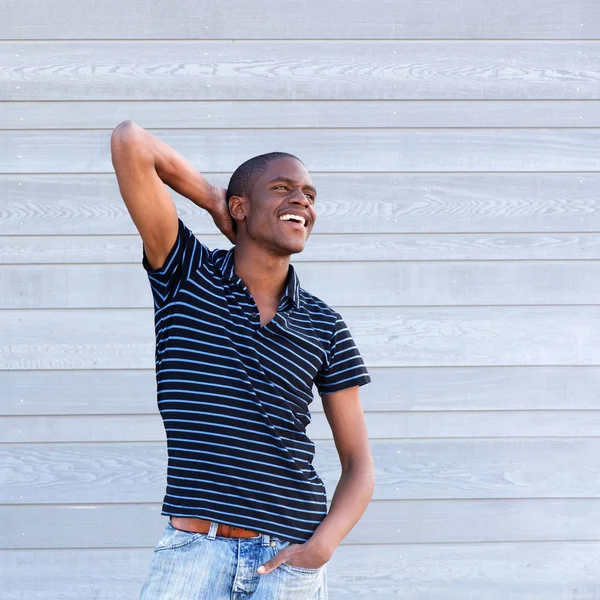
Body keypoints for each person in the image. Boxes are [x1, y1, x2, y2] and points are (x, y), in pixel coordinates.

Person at [110, 120, 375, 600]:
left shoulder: (325, 325)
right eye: (283, 188)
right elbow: (131, 141)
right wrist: (213, 198)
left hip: (287, 560)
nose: (302, 201)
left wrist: (322, 547)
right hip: (195, 552)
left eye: (309, 195)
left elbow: (360, 465)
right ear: (241, 207)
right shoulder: (184, 273)